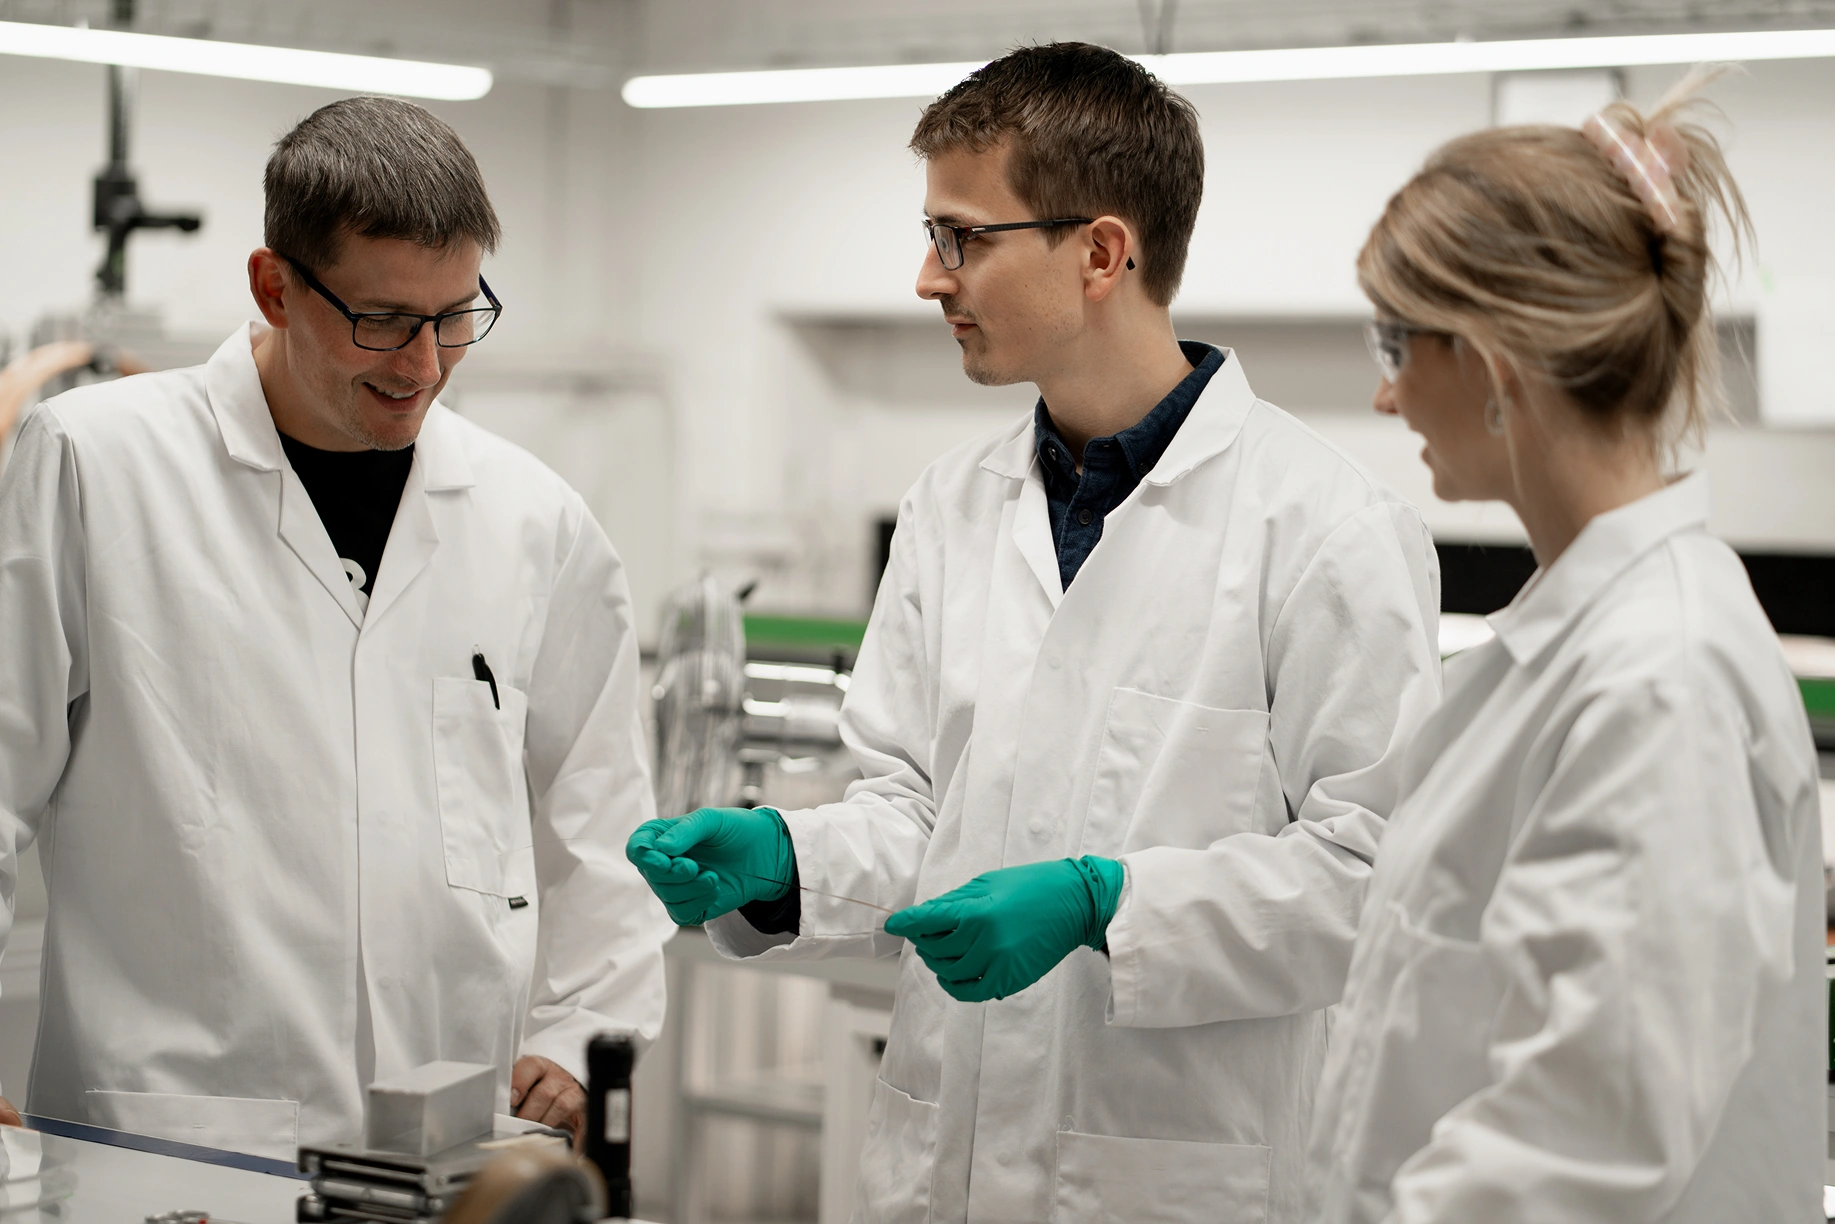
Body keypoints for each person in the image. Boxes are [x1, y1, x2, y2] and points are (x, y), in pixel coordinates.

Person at [629, 43, 1442, 1223]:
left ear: (1101, 253)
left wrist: (1107, 904)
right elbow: (914, 811)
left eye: (962, 237)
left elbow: (1377, 883)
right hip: (939, 1168)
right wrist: (785, 860)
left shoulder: (1325, 529)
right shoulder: (950, 505)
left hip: (1169, 1180)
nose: (926, 276)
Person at [0, 96, 671, 1156]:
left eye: (454, 316)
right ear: (274, 286)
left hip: (449, 1139)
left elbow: (604, 819)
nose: (423, 366)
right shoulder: (97, 464)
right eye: (381, 321)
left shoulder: (532, 519)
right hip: (171, 1130)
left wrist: (586, 1026)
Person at [1305, 73, 1824, 1222]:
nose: (1385, 396)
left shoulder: (1657, 678)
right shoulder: (1575, 643)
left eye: (1397, 340)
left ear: (1493, 363)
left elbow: (1571, 1148)